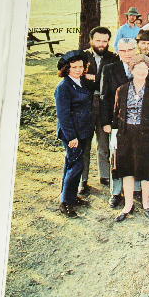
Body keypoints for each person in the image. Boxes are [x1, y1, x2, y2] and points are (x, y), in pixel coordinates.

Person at [111, 55, 149, 222]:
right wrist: (114, 136)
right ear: (132, 69)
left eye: (145, 68)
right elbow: (116, 114)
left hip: (146, 135)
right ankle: (128, 204)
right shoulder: (122, 89)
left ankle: (146, 202)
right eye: (138, 68)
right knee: (126, 170)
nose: (141, 71)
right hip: (125, 134)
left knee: (146, 170)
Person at [54, 50, 96, 217]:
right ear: (67, 69)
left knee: (73, 164)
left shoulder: (82, 82)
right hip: (72, 134)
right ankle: (65, 203)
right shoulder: (64, 87)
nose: (78, 70)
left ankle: (70, 197)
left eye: (81, 67)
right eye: (74, 67)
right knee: (76, 165)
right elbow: (63, 115)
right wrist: (71, 137)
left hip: (83, 131)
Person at [100, 38, 138, 208]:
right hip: (117, 121)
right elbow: (104, 97)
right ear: (118, 52)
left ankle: (136, 189)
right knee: (116, 157)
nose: (127, 54)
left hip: (138, 122)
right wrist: (106, 122)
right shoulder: (109, 69)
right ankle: (116, 192)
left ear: (136, 50)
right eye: (123, 50)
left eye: (130, 50)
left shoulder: (143, 67)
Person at [81, 26, 119, 193]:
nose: (101, 44)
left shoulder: (113, 58)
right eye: (98, 40)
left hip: (105, 106)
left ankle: (105, 175)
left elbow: (113, 82)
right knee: (85, 144)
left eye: (105, 41)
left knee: (104, 144)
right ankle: (83, 180)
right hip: (85, 105)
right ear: (91, 40)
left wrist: (94, 78)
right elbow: (79, 79)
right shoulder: (82, 56)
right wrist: (99, 80)